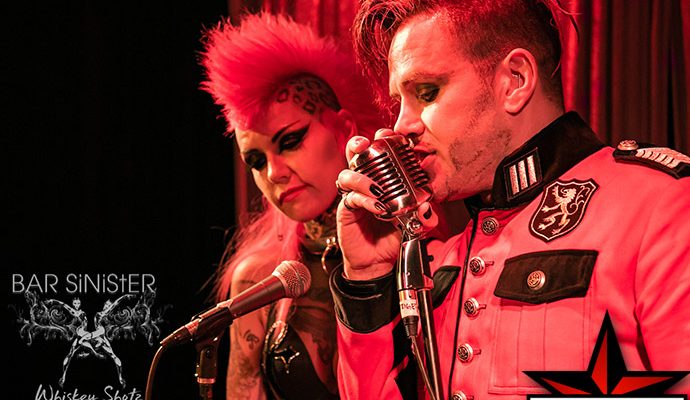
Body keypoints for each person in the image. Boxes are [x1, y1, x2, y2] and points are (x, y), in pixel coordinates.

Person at [331, 1, 690, 399]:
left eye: (427, 93)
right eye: (399, 102)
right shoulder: (443, 257)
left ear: (515, 80)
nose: (402, 126)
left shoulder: (660, 203)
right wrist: (366, 277)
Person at [199, 12, 386, 399]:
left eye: (290, 141)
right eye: (256, 161)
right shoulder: (259, 279)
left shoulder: (416, 247)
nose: (274, 173)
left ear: (344, 129)